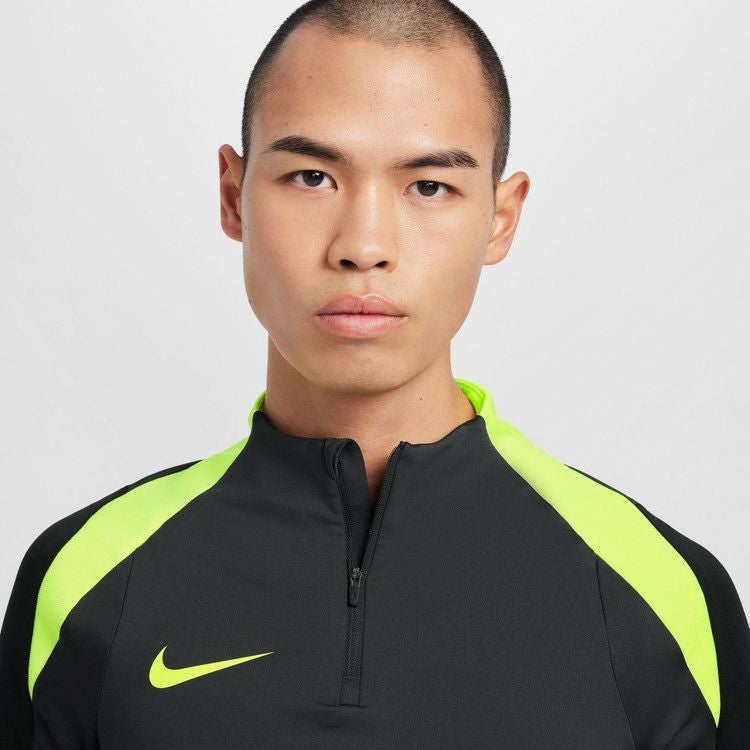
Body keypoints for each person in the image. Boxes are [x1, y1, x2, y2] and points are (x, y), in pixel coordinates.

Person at [1, 0, 748, 747]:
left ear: (500, 217)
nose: (363, 246)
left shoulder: (660, 593)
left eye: (428, 187)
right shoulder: (83, 579)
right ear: (233, 197)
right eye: (311, 177)